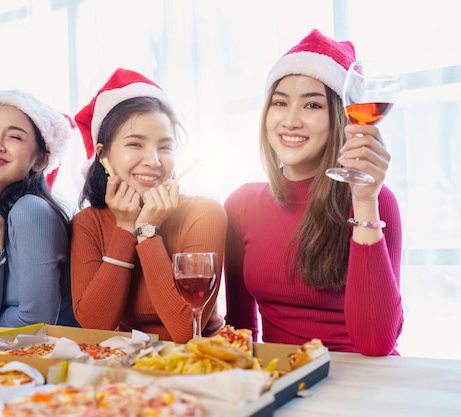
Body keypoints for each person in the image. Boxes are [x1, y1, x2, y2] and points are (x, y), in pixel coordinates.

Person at [224, 29, 403, 356]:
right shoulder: (241, 205)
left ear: (339, 117)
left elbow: (377, 344)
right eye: (280, 103)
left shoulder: (375, 201)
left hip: (359, 381)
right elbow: (240, 331)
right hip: (281, 381)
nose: (290, 120)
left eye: (312, 105)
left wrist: (364, 201)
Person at [71, 68, 226, 343]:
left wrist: (147, 231)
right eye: (135, 144)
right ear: (103, 154)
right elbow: (95, 328)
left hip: (198, 364)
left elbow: (186, 332)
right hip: (126, 369)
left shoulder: (202, 214)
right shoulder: (88, 222)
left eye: (165, 147)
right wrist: (125, 228)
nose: (153, 161)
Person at [0, 89, 79, 328]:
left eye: (15, 137)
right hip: (0, 355)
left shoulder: (32, 211)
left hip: (53, 357)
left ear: (40, 161)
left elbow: (36, 324)